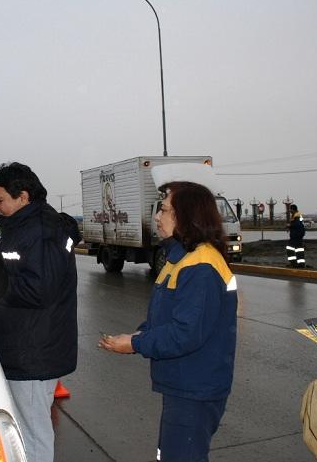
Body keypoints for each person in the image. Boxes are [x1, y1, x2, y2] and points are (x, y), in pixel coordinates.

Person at [99, 178, 238, 462]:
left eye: (163, 210)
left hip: (195, 387)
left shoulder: (200, 265)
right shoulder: (179, 259)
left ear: (186, 216)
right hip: (184, 382)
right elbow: (165, 318)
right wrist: (137, 337)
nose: (157, 217)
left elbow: (186, 333)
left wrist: (137, 345)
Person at [0, 162, 80, 462]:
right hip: (21, 351)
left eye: (0, 199)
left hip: (33, 356)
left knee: (34, 434)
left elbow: (40, 289)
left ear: (23, 197)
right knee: (21, 431)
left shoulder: (42, 232)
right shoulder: (20, 227)